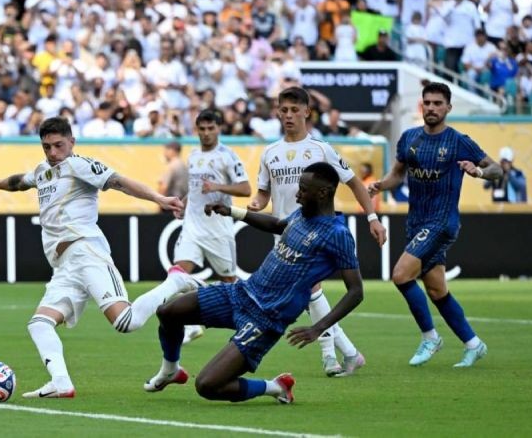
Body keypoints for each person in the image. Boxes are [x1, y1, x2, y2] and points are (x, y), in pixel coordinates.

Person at [0, 116, 201, 399]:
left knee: (126, 322)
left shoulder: (80, 165)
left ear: (72, 142)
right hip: (63, 266)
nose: (53, 152)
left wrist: (159, 199)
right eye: (47, 147)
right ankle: (61, 383)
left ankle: (176, 281)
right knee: (39, 324)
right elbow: (18, 182)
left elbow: (119, 182)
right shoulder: (43, 171)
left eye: (58, 145)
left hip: (87, 252)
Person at [142, 162, 365, 404]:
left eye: (303, 189)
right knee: (168, 312)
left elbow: (356, 291)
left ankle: (275, 387)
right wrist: (232, 211)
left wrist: (318, 328)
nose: (297, 194)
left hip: (266, 318)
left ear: (322, 193)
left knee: (207, 385)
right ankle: (171, 370)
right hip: (242, 292)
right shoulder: (303, 214)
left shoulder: (338, 234)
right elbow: (277, 225)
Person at [248, 86, 387, 376]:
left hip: (316, 231)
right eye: (284, 110)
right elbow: (263, 193)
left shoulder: (321, 149)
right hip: (283, 234)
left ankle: (329, 356)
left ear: (307, 112)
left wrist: (372, 217)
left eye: (294, 110)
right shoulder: (270, 153)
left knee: (310, 290)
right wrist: (256, 204)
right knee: (305, 295)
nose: (288, 115)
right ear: (278, 112)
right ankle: (350, 353)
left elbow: (354, 182)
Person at [368, 82, 502, 367]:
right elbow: (397, 174)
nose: (431, 108)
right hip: (416, 222)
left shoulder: (458, 141)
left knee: (401, 275)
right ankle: (473, 344)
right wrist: (381, 185)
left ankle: (430, 337)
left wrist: (478, 172)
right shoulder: (409, 138)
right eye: (427, 103)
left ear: (448, 108)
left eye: (437, 103)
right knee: (437, 290)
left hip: (442, 222)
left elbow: (497, 169)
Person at [172, 110, 251, 344]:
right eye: (202, 129)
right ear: (196, 130)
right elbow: (195, 188)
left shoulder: (228, 156)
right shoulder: (193, 155)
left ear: (219, 129)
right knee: (178, 273)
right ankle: (193, 324)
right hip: (192, 227)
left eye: (211, 128)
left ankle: (249, 323)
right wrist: (183, 203)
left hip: (218, 229)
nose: (206, 133)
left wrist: (217, 186)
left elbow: (245, 189)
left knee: (229, 283)